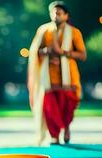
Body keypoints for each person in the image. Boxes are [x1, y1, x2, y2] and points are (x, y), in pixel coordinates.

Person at [28, 1, 87, 145]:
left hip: (69, 78)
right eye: (53, 13)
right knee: (49, 107)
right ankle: (54, 135)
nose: (56, 16)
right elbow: (35, 51)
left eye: (59, 13)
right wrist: (47, 52)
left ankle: (66, 128)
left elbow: (83, 55)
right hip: (49, 78)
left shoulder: (74, 32)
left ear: (66, 16)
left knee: (68, 107)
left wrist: (64, 53)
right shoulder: (44, 30)